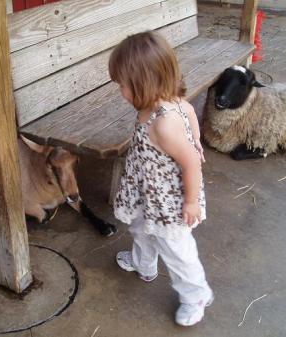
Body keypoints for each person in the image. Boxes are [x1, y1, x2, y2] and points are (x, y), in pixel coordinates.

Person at [109, 31, 213, 327]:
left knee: (177, 250)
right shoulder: (169, 102)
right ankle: (144, 264)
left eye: (123, 85)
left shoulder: (164, 124)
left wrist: (191, 201)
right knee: (141, 228)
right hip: (147, 191)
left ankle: (196, 295)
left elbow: (192, 163)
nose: (120, 92)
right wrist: (195, 138)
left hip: (170, 203)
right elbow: (190, 111)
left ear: (144, 82)